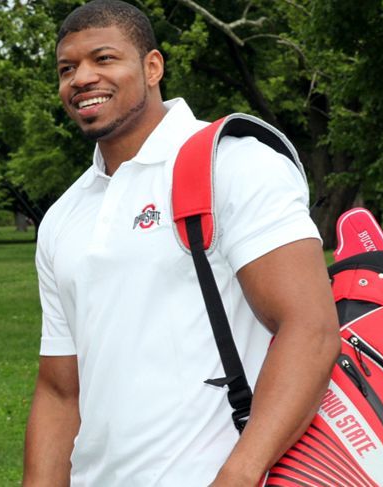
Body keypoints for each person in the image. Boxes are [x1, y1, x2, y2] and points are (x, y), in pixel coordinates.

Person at [22, 1, 341, 485]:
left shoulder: (232, 164)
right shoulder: (64, 216)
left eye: (103, 59)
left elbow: (311, 330)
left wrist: (239, 474)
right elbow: (60, 390)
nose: (82, 78)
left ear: (153, 67)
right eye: (68, 68)